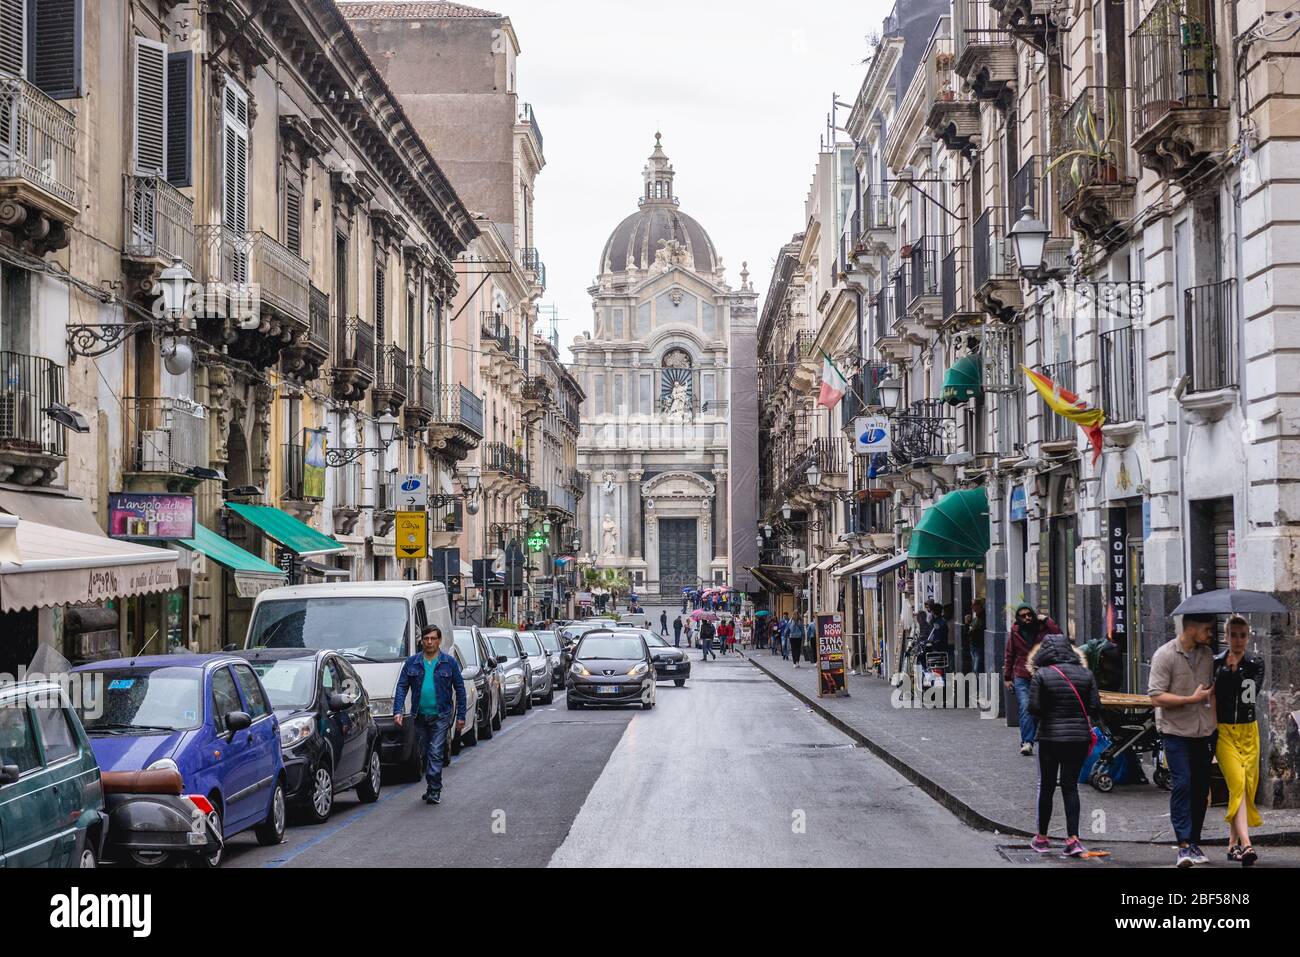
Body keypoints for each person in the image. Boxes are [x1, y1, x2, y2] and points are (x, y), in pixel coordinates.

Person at [1149, 612, 1217, 868]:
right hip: (1175, 731)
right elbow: (1156, 697)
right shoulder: (1165, 655)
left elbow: (1210, 691)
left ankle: (1195, 841)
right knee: (1183, 784)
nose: (1211, 634)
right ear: (1192, 628)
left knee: (1200, 788)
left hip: (1203, 732)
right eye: (1208, 629)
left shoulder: (1207, 655)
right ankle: (1184, 844)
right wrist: (1191, 699)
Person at [1027, 634, 1102, 857]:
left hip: (1050, 738)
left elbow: (1033, 707)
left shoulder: (1042, 674)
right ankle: (1073, 838)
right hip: (1078, 738)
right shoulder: (1086, 674)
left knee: (1047, 786)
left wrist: (1050, 713)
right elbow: (1095, 708)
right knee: (1070, 788)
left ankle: (1041, 837)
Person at [393, 625, 467, 806]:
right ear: (422, 641)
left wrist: (461, 716)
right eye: (426, 639)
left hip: (441, 715)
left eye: (433, 638)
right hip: (419, 716)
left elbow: (460, 689)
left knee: (435, 752)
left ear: (439, 640)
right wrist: (398, 710)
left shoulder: (449, 663)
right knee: (425, 753)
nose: (430, 642)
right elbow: (402, 686)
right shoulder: (412, 663)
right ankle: (430, 786)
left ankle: (435, 790)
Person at [1214, 615, 1264, 866]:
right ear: (1225, 637)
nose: (1238, 640)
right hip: (1224, 732)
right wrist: (1226, 671)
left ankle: (1232, 844)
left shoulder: (1256, 663)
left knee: (1245, 788)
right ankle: (1247, 845)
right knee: (1237, 782)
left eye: (1242, 635)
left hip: (1248, 731)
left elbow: (1250, 695)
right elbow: (1215, 694)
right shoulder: (1216, 663)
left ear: (1248, 636)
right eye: (1233, 635)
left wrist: (1237, 671)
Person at [1004, 603, 1063, 756]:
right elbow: (1010, 654)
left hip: (1041, 674)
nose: (1027, 618)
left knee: (1039, 708)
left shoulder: (1043, 628)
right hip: (1021, 675)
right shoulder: (1015, 631)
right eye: (1023, 616)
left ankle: (1034, 737)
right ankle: (1027, 742)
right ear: (1019, 618)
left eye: (1029, 614)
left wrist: (1047, 620)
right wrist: (1007, 677)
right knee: (1025, 706)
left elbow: (1059, 636)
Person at [963, 599, 986, 675]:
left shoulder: (982, 618)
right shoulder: (976, 618)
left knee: (977, 669)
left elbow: (972, 632)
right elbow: (968, 632)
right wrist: (967, 624)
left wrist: (967, 625)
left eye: (974, 605)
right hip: (974, 646)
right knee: (975, 669)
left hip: (979, 647)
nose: (972, 607)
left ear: (979, 605)